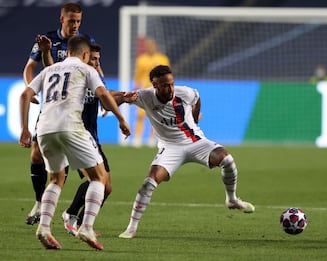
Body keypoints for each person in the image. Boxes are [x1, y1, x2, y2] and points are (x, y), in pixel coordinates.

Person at [19, 35, 131, 250]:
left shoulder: (49, 70)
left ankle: (44, 228)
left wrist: (25, 129)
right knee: (100, 177)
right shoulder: (87, 69)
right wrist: (121, 119)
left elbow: (25, 95)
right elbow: (103, 95)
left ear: (66, 52)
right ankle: (86, 227)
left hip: (44, 129)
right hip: (71, 126)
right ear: (86, 54)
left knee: (56, 179)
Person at [118, 65, 255, 239]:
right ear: (155, 85)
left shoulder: (185, 93)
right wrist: (122, 98)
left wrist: (196, 117)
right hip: (170, 148)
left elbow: (197, 97)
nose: (170, 89)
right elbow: (115, 96)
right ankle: (131, 228)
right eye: (165, 85)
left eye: (171, 84)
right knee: (148, 183)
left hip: (196, 142)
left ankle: (232, 199)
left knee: (226, 159)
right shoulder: (144, 96)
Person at [22, 2, 100, 225]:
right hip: (52, 105)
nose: (75, 25)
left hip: (77, 108)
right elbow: (31, 67)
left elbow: (95, 66)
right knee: (36, 154)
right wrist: (31, 87)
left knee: (83, 169)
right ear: (61, 19)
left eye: (78, 21)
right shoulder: (47, 40)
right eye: (71, 21)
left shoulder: (85, 42)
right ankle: (39, 202)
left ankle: (70, 210)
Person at [61, 43, 116, 236]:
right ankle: (74, 217)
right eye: (93, 58)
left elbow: (105, 97)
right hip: (76, 136)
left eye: (99, 59)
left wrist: (123, 97)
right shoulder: (75, 77)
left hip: (92, 137)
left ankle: (79, 219)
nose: (96, 62)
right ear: (84, 57)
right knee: (97, 179)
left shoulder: (94, 77)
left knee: (106, 187)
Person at [132, 38, 170, 147]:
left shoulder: (163, 59)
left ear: (155, 46)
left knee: (156, 115)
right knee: (140, 114)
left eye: (152, 46)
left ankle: (152, 139)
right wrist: (136, 87)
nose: (150, 48)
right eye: (148, 46)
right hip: (144, 90)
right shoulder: (141, 59)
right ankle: (137, 138)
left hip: (158, 91)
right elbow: (138, 75)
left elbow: (167, 75)